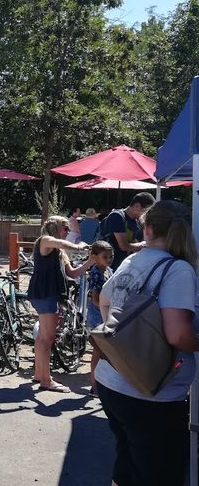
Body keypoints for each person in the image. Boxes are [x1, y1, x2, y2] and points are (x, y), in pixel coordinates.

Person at [96, 200, 199, 486]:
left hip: (112, 379)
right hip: (151, 393)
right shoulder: (178, 270)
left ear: (149, 228)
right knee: (158, 474)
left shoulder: (132, 259)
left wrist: (125, 341)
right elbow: (177, 335)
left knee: (127, 460)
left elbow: (104, 301)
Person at [28, 215, 94, 393]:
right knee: (47, 338)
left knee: (43, 337)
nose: (68, 231)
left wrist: (90, 262)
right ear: (55, 227)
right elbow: (64, 244)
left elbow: (72, 274)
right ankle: (47, 381)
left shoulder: (59, 252)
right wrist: (78, 246)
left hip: (48, 294)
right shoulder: (45, 241)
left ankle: (39, 374)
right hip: (45, 293)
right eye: (65, 228)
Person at [86, 240, 113, 396]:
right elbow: (95, 298)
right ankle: (95, 385)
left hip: (105, 314)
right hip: (98, 316)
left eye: (111, 256)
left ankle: (101, 384)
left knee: (104, 351)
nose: (109, 260)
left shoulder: (108, 270)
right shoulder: (96, 272)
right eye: (105, 257)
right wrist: (106, 310)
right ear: (95, 257)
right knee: (98, 350)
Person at [103, 192, 155, 271]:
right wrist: (144, 244)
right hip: (110, 267)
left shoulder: (137, 221)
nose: (146, 214)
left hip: (126, 266)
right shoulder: (117, 216)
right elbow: (124, 246)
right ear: (137, 206)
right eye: (146, 211)